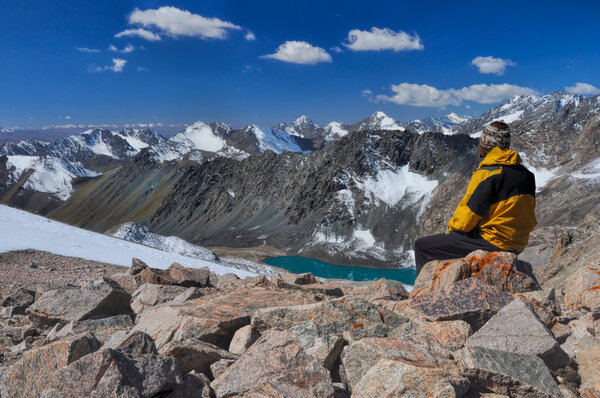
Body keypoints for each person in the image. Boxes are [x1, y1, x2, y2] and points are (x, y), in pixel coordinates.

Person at [413, 120, 537, 275]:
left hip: (493, 242)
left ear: (485, 145)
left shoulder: (488, 173)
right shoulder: (527, 175)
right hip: (518, 243)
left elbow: (468, 215)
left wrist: (452, 231)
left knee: (422, 246)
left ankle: (425, 290)